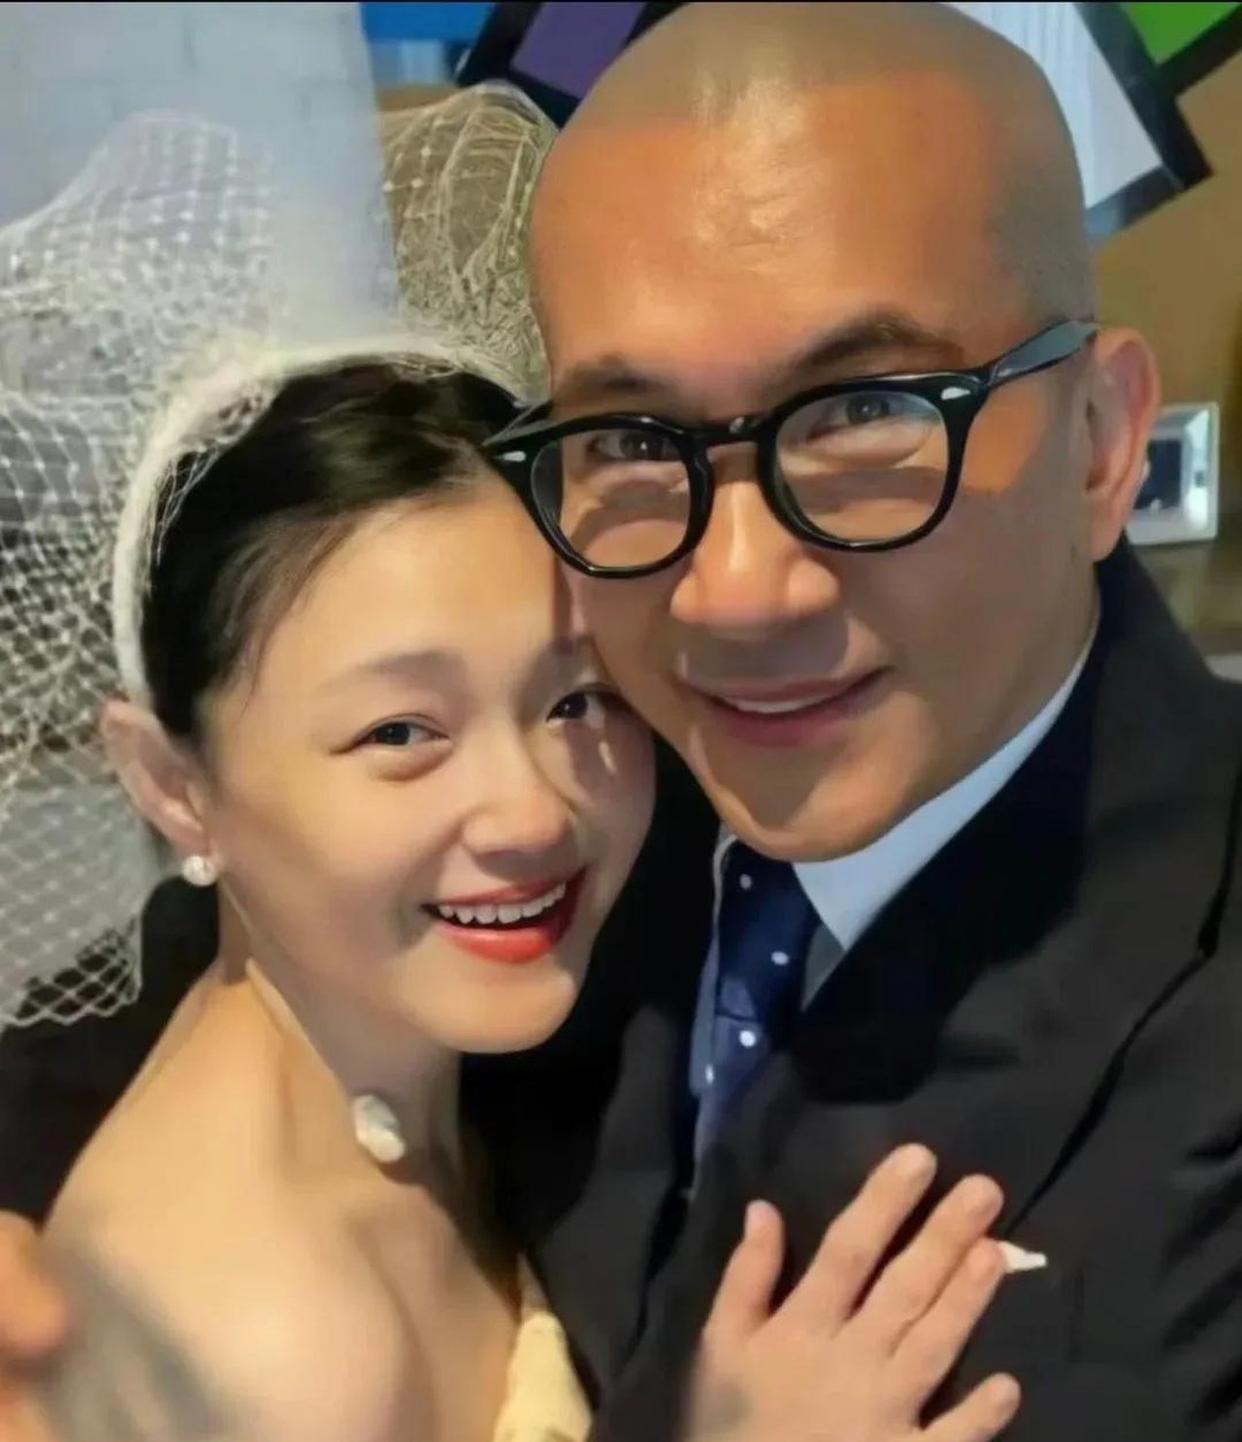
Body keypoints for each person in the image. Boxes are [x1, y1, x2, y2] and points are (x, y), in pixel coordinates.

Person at [2, 2, 1241, 1438]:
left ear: (1099, 441)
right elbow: (231, 945)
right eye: (635, 438)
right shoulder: (618, 773)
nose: (735, 593)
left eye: (863, 413)